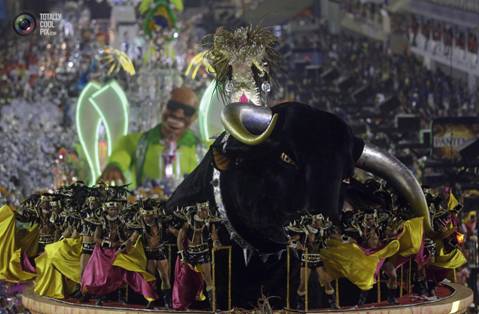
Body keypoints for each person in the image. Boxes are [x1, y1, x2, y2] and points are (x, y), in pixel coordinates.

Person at [100, 87, 201, 190]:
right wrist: (115, 166)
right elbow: (121, 155)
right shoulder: (135, 142)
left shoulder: (204, 150)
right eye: (173, 106)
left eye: (188, 111)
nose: (178, 113)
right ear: (163, 107)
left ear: (194, 117)